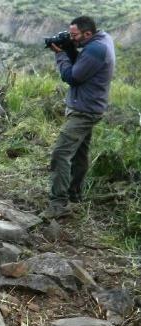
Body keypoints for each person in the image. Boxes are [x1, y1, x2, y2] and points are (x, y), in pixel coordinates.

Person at [41, 16, 115, 219]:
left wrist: (61, 54)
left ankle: (58, 204)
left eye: (74, 36)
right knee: (80, 154)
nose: (72, 39)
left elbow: (72, 77)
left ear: (88, 34)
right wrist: (72, 48)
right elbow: (83, 63)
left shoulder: (96, 49)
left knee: (61, 153)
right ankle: (74, 195)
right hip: (91, 106)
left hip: (84, 111)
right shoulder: (102, 39)